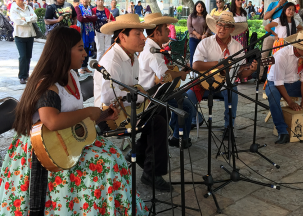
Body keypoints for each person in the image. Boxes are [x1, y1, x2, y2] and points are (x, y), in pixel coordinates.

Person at [0, 26, 149, 215]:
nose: (85, 53)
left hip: (65, 143)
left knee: (115, 156)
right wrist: (88, 112)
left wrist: (103, 116)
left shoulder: (71, 74)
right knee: (107, 163)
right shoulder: (47, 83)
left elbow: (72, 120)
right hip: (44, 152)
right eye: (80, 49)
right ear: (63, 51)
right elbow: (51, 121)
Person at [95, 13, 175, 192]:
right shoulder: (112, 60)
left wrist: (141, 95)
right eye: (138, 34)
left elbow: (133, 88)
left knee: (163, 110)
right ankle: (152, 173)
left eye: (142, 33)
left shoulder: (133, 57)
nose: (143, 37)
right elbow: (109, 99)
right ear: (122, 36)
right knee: (158, 123)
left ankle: (143, 157)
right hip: (110, 115)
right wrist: (143, 96)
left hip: (130, 107)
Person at [186, 11, 258, 139]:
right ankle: (190, 125)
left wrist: (251, 70)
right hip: (205, 84)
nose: (222, 29)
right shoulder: (206, 42)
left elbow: (241, 74)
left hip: (225, 86)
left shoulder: (238, 47)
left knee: (233, 91)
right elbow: (195, 65)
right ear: (215, 25)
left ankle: (228, 126)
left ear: (232, 29)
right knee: (187, 97)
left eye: (226, 26)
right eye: (219, 25)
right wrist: (219, 64)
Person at [139, 13, 195, 147]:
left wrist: (176, 70)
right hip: (151, 95)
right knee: (186, 105)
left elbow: (161, 70)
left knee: (182, 97)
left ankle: (175, 131)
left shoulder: (151, 47)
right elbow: (164, 75)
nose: (169, 30)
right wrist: (181, 73)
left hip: (154, 91)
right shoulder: (153, 53)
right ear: (157, 32)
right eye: (165, 28)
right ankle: (179, 138)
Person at [10, 0, 37, 84]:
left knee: (28, 56)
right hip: (19, 35)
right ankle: (22, 76)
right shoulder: (13, 8)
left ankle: (26, 74)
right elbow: (17, 21)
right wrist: (29, 19)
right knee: (23, 56)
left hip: (30, 34)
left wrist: (25, 19)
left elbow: (35, 18)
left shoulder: (28, 7)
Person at [260, 0, 287, 81]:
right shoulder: (273, 4)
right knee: (263, 56)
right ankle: (259, 77)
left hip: (281, 37)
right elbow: (265, 17)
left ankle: (275, 77)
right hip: (269, 34)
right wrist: (277, 6)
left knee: (278, 58)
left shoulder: (288, 5)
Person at [187, 1, 211, 78]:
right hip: (193, 38)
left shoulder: (206, 16)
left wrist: (205, 34)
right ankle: (192, 71)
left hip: (203, 39)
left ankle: (199, 71)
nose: (200, 8)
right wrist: (196, 34)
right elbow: (189, 27)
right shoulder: (191, 16)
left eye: (202, 6)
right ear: (195, 7)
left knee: (202, 55)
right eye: (198, 6)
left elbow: (209, 27)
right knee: (193, 54)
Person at [75, 0, 97, 74]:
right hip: (83, 32)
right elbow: (80, 18)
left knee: (87, 49)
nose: (85, 0)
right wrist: (90, 17)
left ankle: (85, 66)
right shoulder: (78, 8)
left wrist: (86, 17)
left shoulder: (91, 8)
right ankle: (80, 67)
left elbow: (95, 18)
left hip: (90, 31)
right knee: (82, 49)